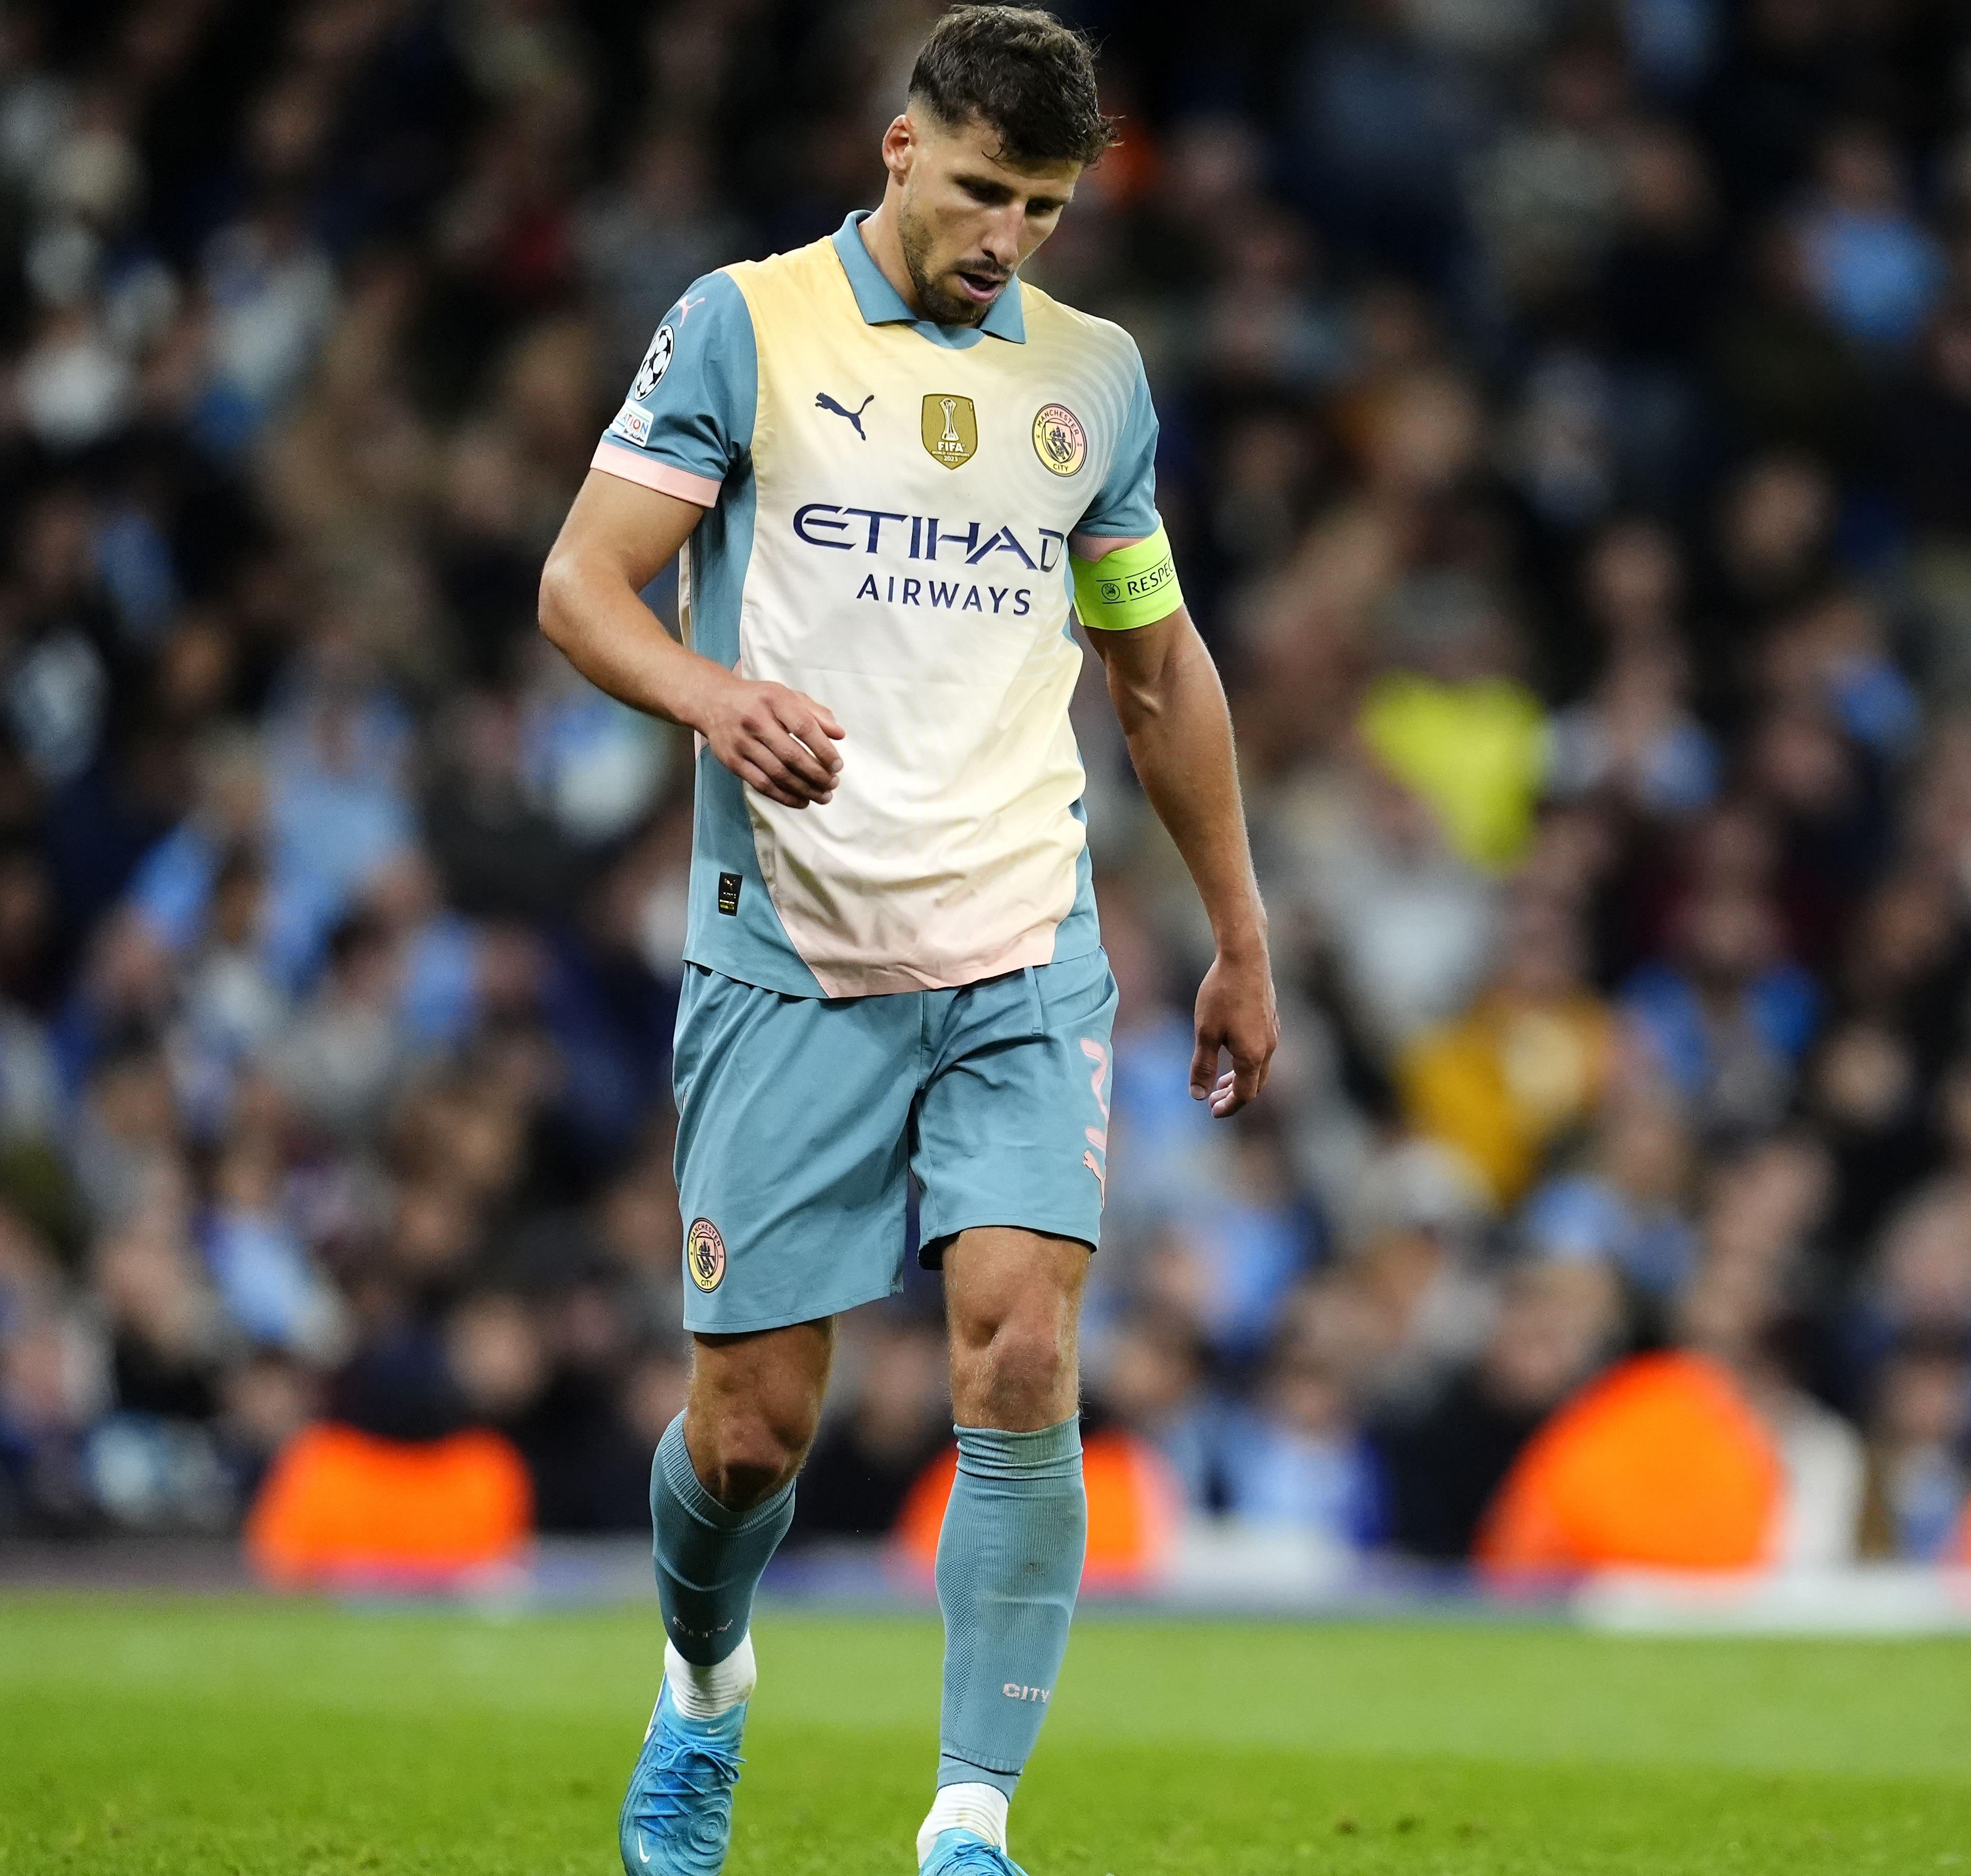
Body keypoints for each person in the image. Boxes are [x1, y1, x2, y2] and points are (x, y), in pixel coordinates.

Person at [534, 13, 1280, 1876]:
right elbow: (579, 582)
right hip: (788, 948)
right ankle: (704, 1691)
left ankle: (966, 1823)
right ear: (895, 149)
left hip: (1022, 941)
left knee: (1022, 1356)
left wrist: (1239, 931)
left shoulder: (1093, 382)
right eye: (976, 191)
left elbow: (1153, 664)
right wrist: (709, 695)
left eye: (1040, 205)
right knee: (750, 1437)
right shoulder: (745, 324)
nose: (1005, 236)